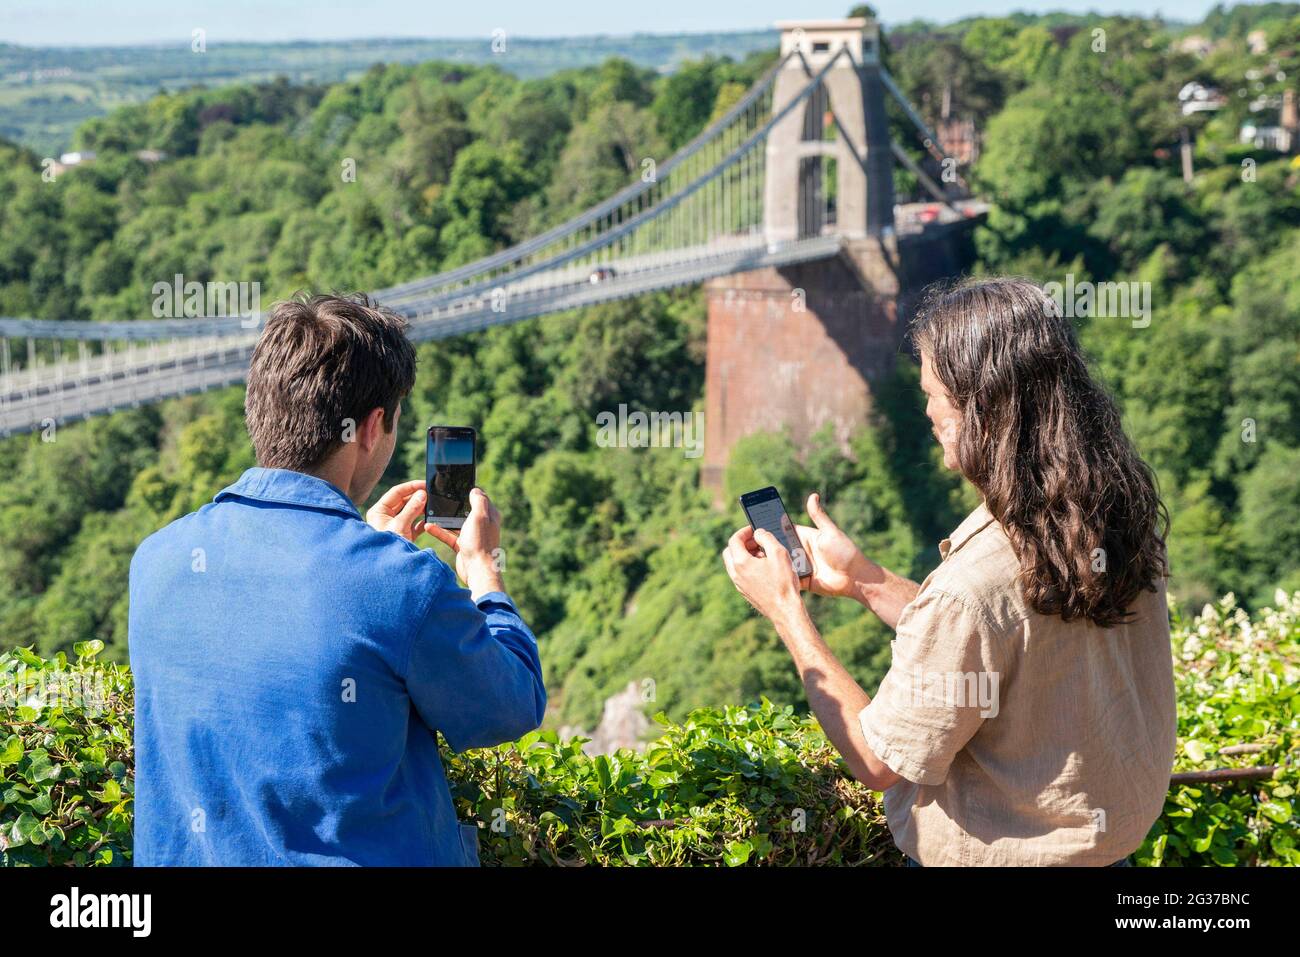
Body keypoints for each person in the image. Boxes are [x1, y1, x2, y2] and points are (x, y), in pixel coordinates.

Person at [722, 277, 1176, 866]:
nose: (928, 410)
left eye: (934, 393)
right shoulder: (1111, 513)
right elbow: (1001, 641)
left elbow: (878, 760)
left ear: (981, 409)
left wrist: (785, 608)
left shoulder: (973, 586)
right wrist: (863, 579)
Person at [129, 293, 545, 866]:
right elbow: (510, 706)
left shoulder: (156, 560)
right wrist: (483, 574)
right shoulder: (401, 585)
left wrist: (368, 554)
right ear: (372, 427)